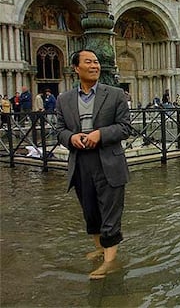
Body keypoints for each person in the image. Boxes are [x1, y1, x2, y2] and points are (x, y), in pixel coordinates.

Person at [56, 49, 132, 279]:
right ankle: (100, 249)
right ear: (76, 68)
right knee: (91, 212)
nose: (95, 66)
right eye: (88, 62)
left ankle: (110, 262)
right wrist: (71, 138)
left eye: (97, 62)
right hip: (80, 162)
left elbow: (125, 127)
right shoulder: (64, 99)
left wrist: (100, 134)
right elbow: (59, 130)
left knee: (110, 212)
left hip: (109, 161)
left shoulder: (116, 94)